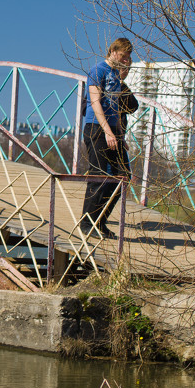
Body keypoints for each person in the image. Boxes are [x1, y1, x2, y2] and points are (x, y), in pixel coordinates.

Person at [79, 37, 133, 238]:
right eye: (123, 56)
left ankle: (99, 222)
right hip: (97, 129)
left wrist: (119, 133)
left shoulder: (116, 76)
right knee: (99, 177)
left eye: (128, 57)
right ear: (113, 51)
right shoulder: (98, 70)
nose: (126, 60)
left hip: (113, 131)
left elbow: (116, 108)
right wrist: (108, 132)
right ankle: (87, 224)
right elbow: (95, 102)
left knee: (123, 177)